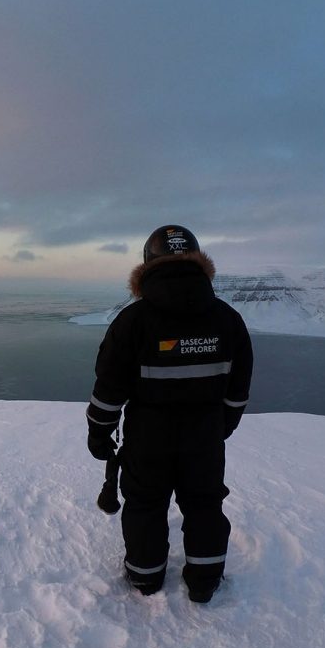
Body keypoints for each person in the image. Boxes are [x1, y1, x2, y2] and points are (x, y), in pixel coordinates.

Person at [86, 224, 253, 603]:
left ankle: (146, 577)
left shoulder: (132, 321)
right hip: (206, 435)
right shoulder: (227, 319)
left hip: (148, 436)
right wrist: (220, 427)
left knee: (144, 503)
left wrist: (99, 433)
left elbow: (109, 388)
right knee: (204, 503)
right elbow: (238, 389)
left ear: (148, 265)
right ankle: (204, 581)